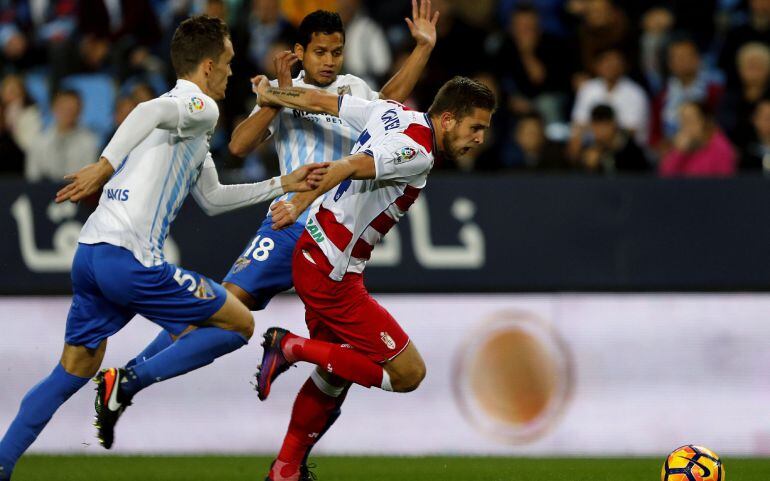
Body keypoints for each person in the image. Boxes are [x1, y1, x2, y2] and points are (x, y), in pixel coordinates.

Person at [116, 5, 437, 476]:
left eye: (337, 52)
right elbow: (240, 145)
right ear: (301, 52)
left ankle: (289, 466)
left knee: (336, 370)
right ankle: (132, 375)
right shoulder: (282, 93)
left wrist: (423, 48)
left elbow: (388, 99)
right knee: (223, 308)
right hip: (288, 226)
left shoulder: (353, 90)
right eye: (320, 52)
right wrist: (272, 99)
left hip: (334, 237)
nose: (329, 60)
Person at [0, 15, 324, 480]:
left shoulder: (191, 128)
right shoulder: (196, 106)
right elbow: (146, 111)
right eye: (229, 64)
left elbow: (212, 200)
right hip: (130, 261)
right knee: (238, 323)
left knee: (72, 369)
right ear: (209, 66)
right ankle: (126, 381)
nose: (232, 73)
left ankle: (3, 462)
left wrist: (282, 184)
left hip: (91, 253)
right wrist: (104, 165)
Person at [251, 75, 495, 481]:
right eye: (476, 127)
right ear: (449, 119)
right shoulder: (416, 151)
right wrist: (298, 203)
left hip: (314, 256)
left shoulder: (392, 113)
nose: (480, 139)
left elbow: (319, 101)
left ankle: (285, 469)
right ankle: (289, 346)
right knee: (408, 373)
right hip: (332, 275)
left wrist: (270, 92)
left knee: (334, 375)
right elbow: (348, 165)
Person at [25, 89, 99, 182]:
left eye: (72, 109)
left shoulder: (90, 142)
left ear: (80, 111)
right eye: (63, 108)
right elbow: (32, 177)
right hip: (43, 193)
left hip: (77, 193)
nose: (67, 113)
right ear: (53, 108)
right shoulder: (39, 141)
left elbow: (89, 179)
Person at [659, 101, 737, 176]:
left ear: (705, 121)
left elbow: (725, 183)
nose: (686, 126)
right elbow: (665, 177)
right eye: (682, 121)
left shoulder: (720, 148)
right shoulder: (681, 147)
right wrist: (679, 153)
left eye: (690, 120)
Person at [579, 104, 648, 173]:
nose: (600, 131)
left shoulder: (631, 149)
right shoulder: (588, 147)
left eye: (605, 125)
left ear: (614, 124)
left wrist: (602, 161)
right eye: (596, 126)